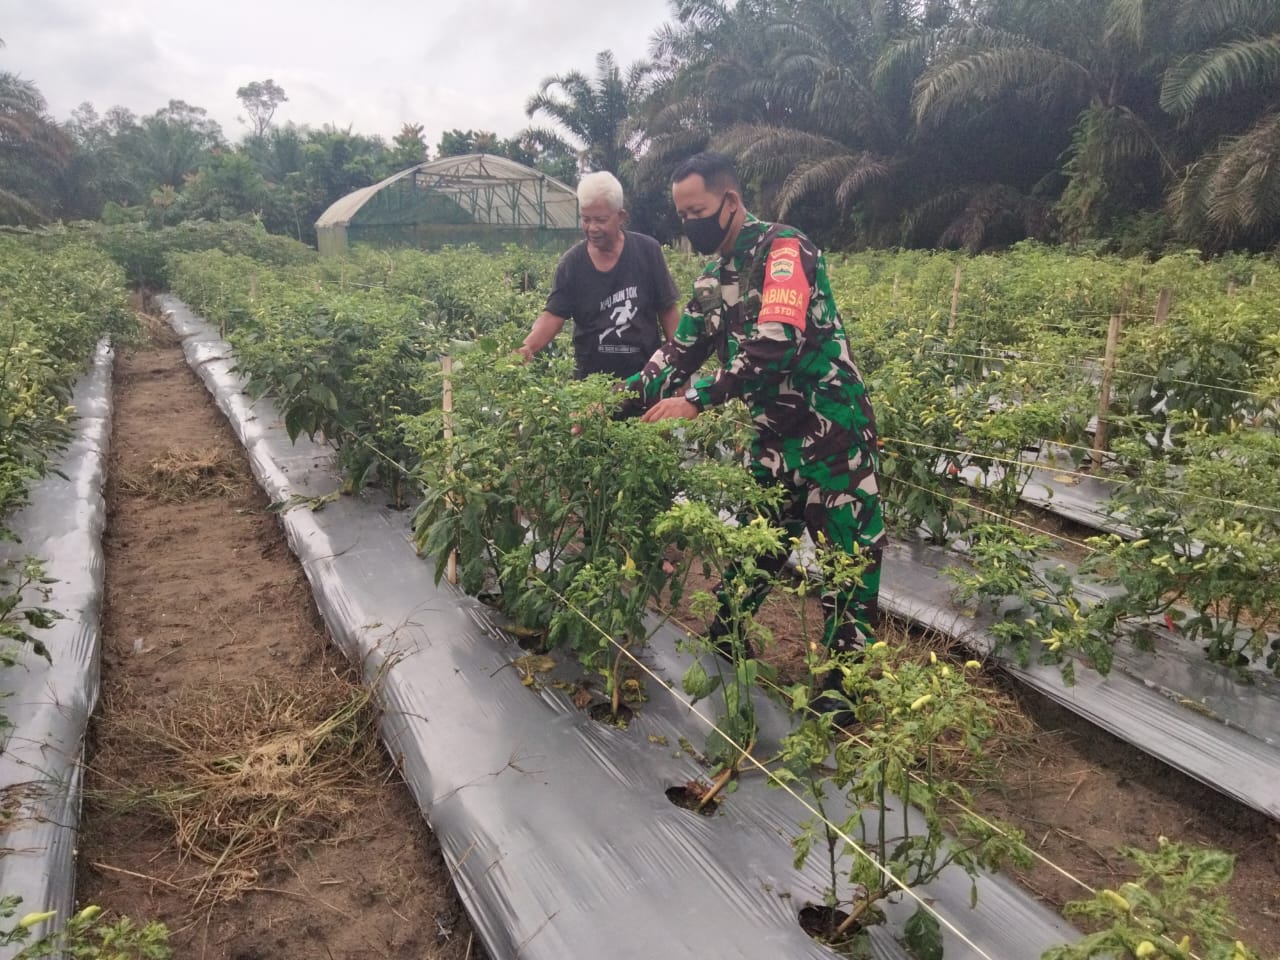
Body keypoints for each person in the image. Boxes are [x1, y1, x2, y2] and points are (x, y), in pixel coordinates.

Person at [616, 152, 886, 721]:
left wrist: (696, 400)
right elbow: (676, 351)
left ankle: (844, 688)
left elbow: (776, 343)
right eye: (681, 214)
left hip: (832, 431)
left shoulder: (784, 251)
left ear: (730, 202)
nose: (689, 223)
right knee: (760, 541)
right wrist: (611, 404)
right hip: (773, 437)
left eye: (698, 210)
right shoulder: (715, 280)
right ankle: (728, 635)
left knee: (848, 559)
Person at [519, 171, 681, 379]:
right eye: (586, 219)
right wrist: (528, 346)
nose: (592, 228)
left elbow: (668, 311)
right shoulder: (572, 263)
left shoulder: (647, 251)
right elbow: (553, 316)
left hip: (645, 379)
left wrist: (678, 365)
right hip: (591, 385)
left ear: (621, 216)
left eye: (600, 220)